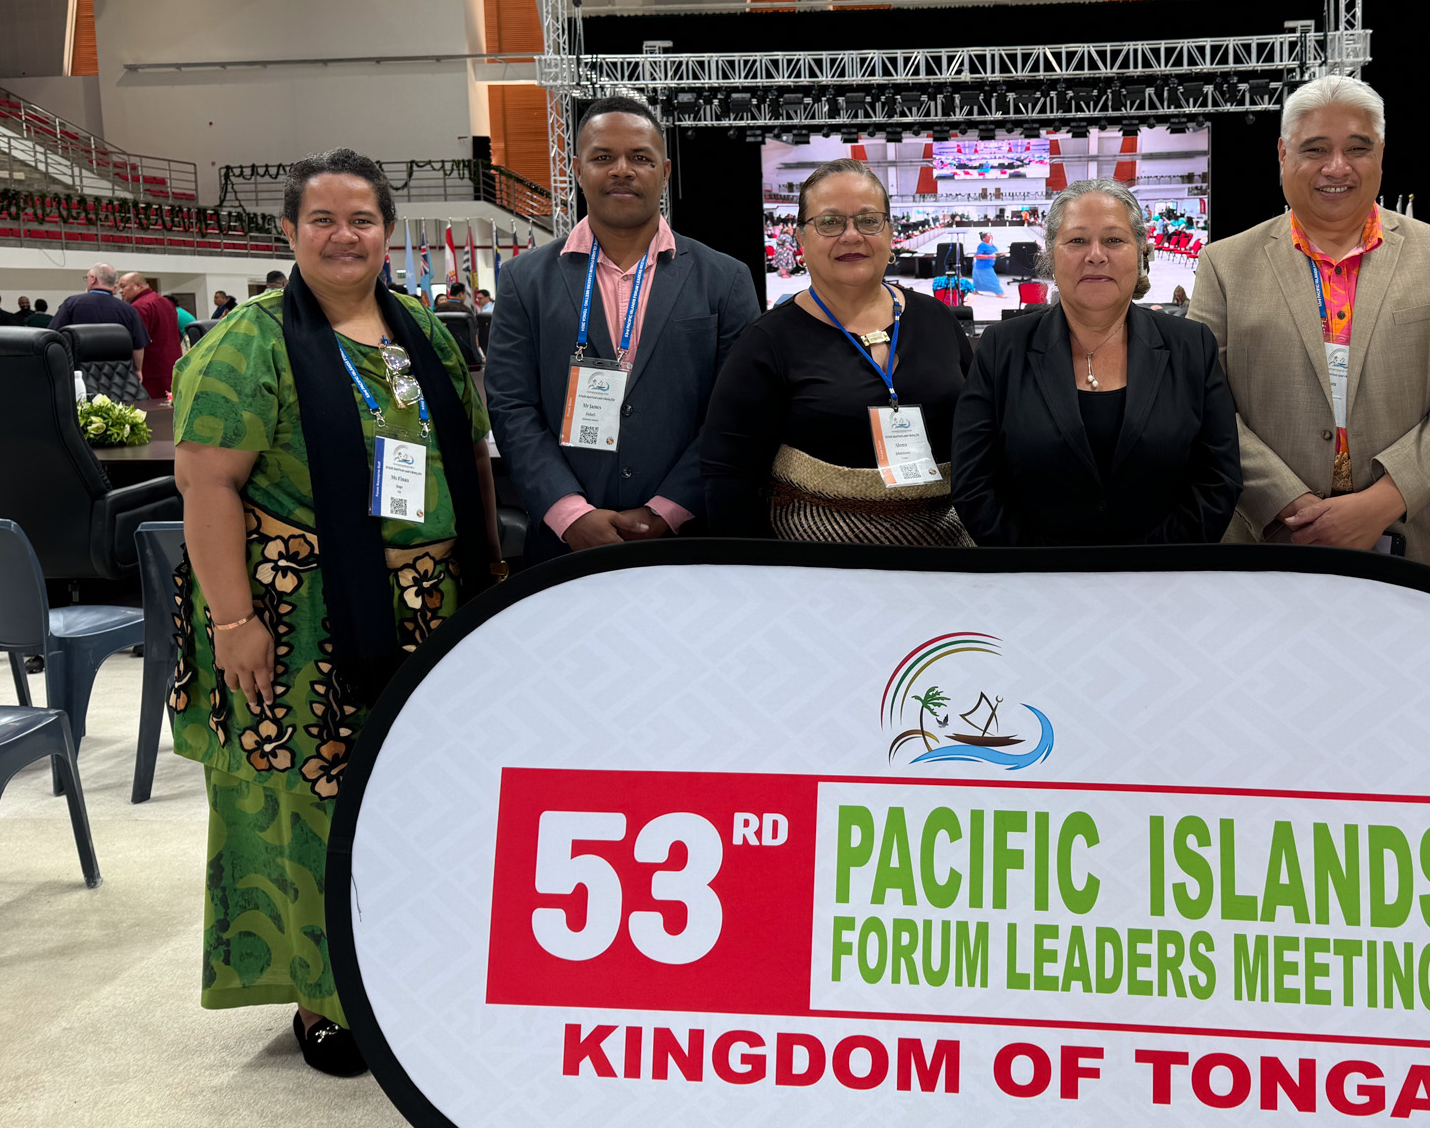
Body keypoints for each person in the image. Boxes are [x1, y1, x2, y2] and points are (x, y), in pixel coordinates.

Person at [170, 148, 498, 1077]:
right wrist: (235, 623)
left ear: (388, 232)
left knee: (418, 790)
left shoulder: (423, 333)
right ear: (290, 231)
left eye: (362, 220)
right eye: (323, 219)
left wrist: (489, 564)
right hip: (297, 610)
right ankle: (327, 994)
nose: (344, 235)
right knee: (309, 795)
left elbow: (467, 449)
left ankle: (409, 964)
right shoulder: (251, 341)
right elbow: (205, 481)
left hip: (432, 600)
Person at [1188, 74, 1430, 572]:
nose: (1337, 167)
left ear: (1382, 154)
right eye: (1315, 149)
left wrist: (1382, 501)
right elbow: (1206, 405)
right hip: (1268, 545)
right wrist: (1291, 506)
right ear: (1283, 155)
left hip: (1421, 547)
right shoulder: (1225, 264)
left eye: (1357, 148)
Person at [488, 95, 760, 561]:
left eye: (639, 157)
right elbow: (512, 407)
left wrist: (667, 509)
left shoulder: (725, 279)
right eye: (602, 157)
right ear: (577, 169)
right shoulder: (523, 280)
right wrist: (569, 513)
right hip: (562, 548)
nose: (621, 170)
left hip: (690, 539)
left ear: (666, 171)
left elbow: (740, 412)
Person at [951, 179, 1240, 545]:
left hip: (1164, 582)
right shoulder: (1000, 348)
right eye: (1077, 240)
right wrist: (1041, 568)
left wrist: (1146, 569)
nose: (1096, 255)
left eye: (1114, 240)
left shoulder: (1192, 346)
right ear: (1050, 256)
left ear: (1140, 253)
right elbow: (974, 484)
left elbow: (1219, 479)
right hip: (1033, 584)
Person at [703, 158, 973, 544]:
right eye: (830, 222)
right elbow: (728, 475)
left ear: (891, 232)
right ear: (800, 238)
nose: (851, 235)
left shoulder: (937, 319)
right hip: (818, 564)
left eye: (868, 220)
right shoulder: (767, 342)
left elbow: (982, 438)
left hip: (946, 554)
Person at [51, 264, 150, 374]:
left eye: (87, 278)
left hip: (79, 372)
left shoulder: (72, 304)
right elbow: (138, 346)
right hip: (117, 375)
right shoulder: (128, 310)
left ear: (93, 279)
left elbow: (54, 336)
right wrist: (137, 370)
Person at [116, 272, 184, 399]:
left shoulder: (140, 307)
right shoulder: (166, 302)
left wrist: (136, 369)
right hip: (172, 366)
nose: (120, 291)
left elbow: (137, 341)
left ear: (138, 286)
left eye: (123, 286)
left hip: (151, 370)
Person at [971, 230, 1006, 296]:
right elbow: (977, 255)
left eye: (990, 236)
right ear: (984, 238)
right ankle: (999, 293)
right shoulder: (982, 245)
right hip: (982, 265)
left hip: (987, 264)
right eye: (988, 236)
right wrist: (989, 256)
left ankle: (975, 290)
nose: (990, 237)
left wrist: (1000, 254)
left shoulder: (991, 244)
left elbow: (993, 252)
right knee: (993, 279)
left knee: (977, 279)